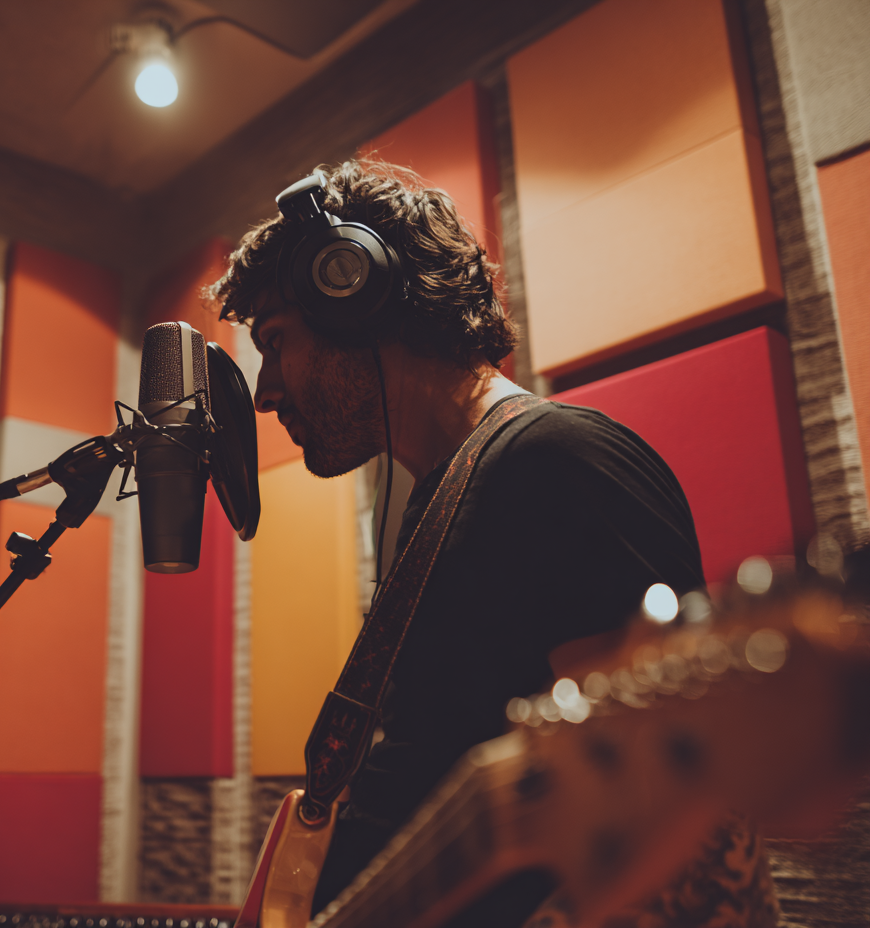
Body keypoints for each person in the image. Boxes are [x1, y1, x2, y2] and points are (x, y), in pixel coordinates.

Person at [207, 160, 778, 926]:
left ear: (357, 296)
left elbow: (673, 821)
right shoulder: (438, 502)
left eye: (276, 342)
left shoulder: (561, 461)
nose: (267, 391)